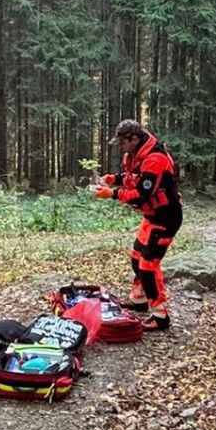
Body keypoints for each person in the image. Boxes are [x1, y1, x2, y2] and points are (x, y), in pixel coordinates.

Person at [93, 120, 183, 331]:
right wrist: (112, 179)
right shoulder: (135, 155)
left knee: (148, 266)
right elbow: (132, 178)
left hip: (166, 217)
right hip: (151, 216)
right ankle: (140, 301)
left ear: (133, 139)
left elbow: (142, 193)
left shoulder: (155, 159)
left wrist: (112, 194)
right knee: (136, 258)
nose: (120, 147)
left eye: (122, 142)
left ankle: (161, 316)